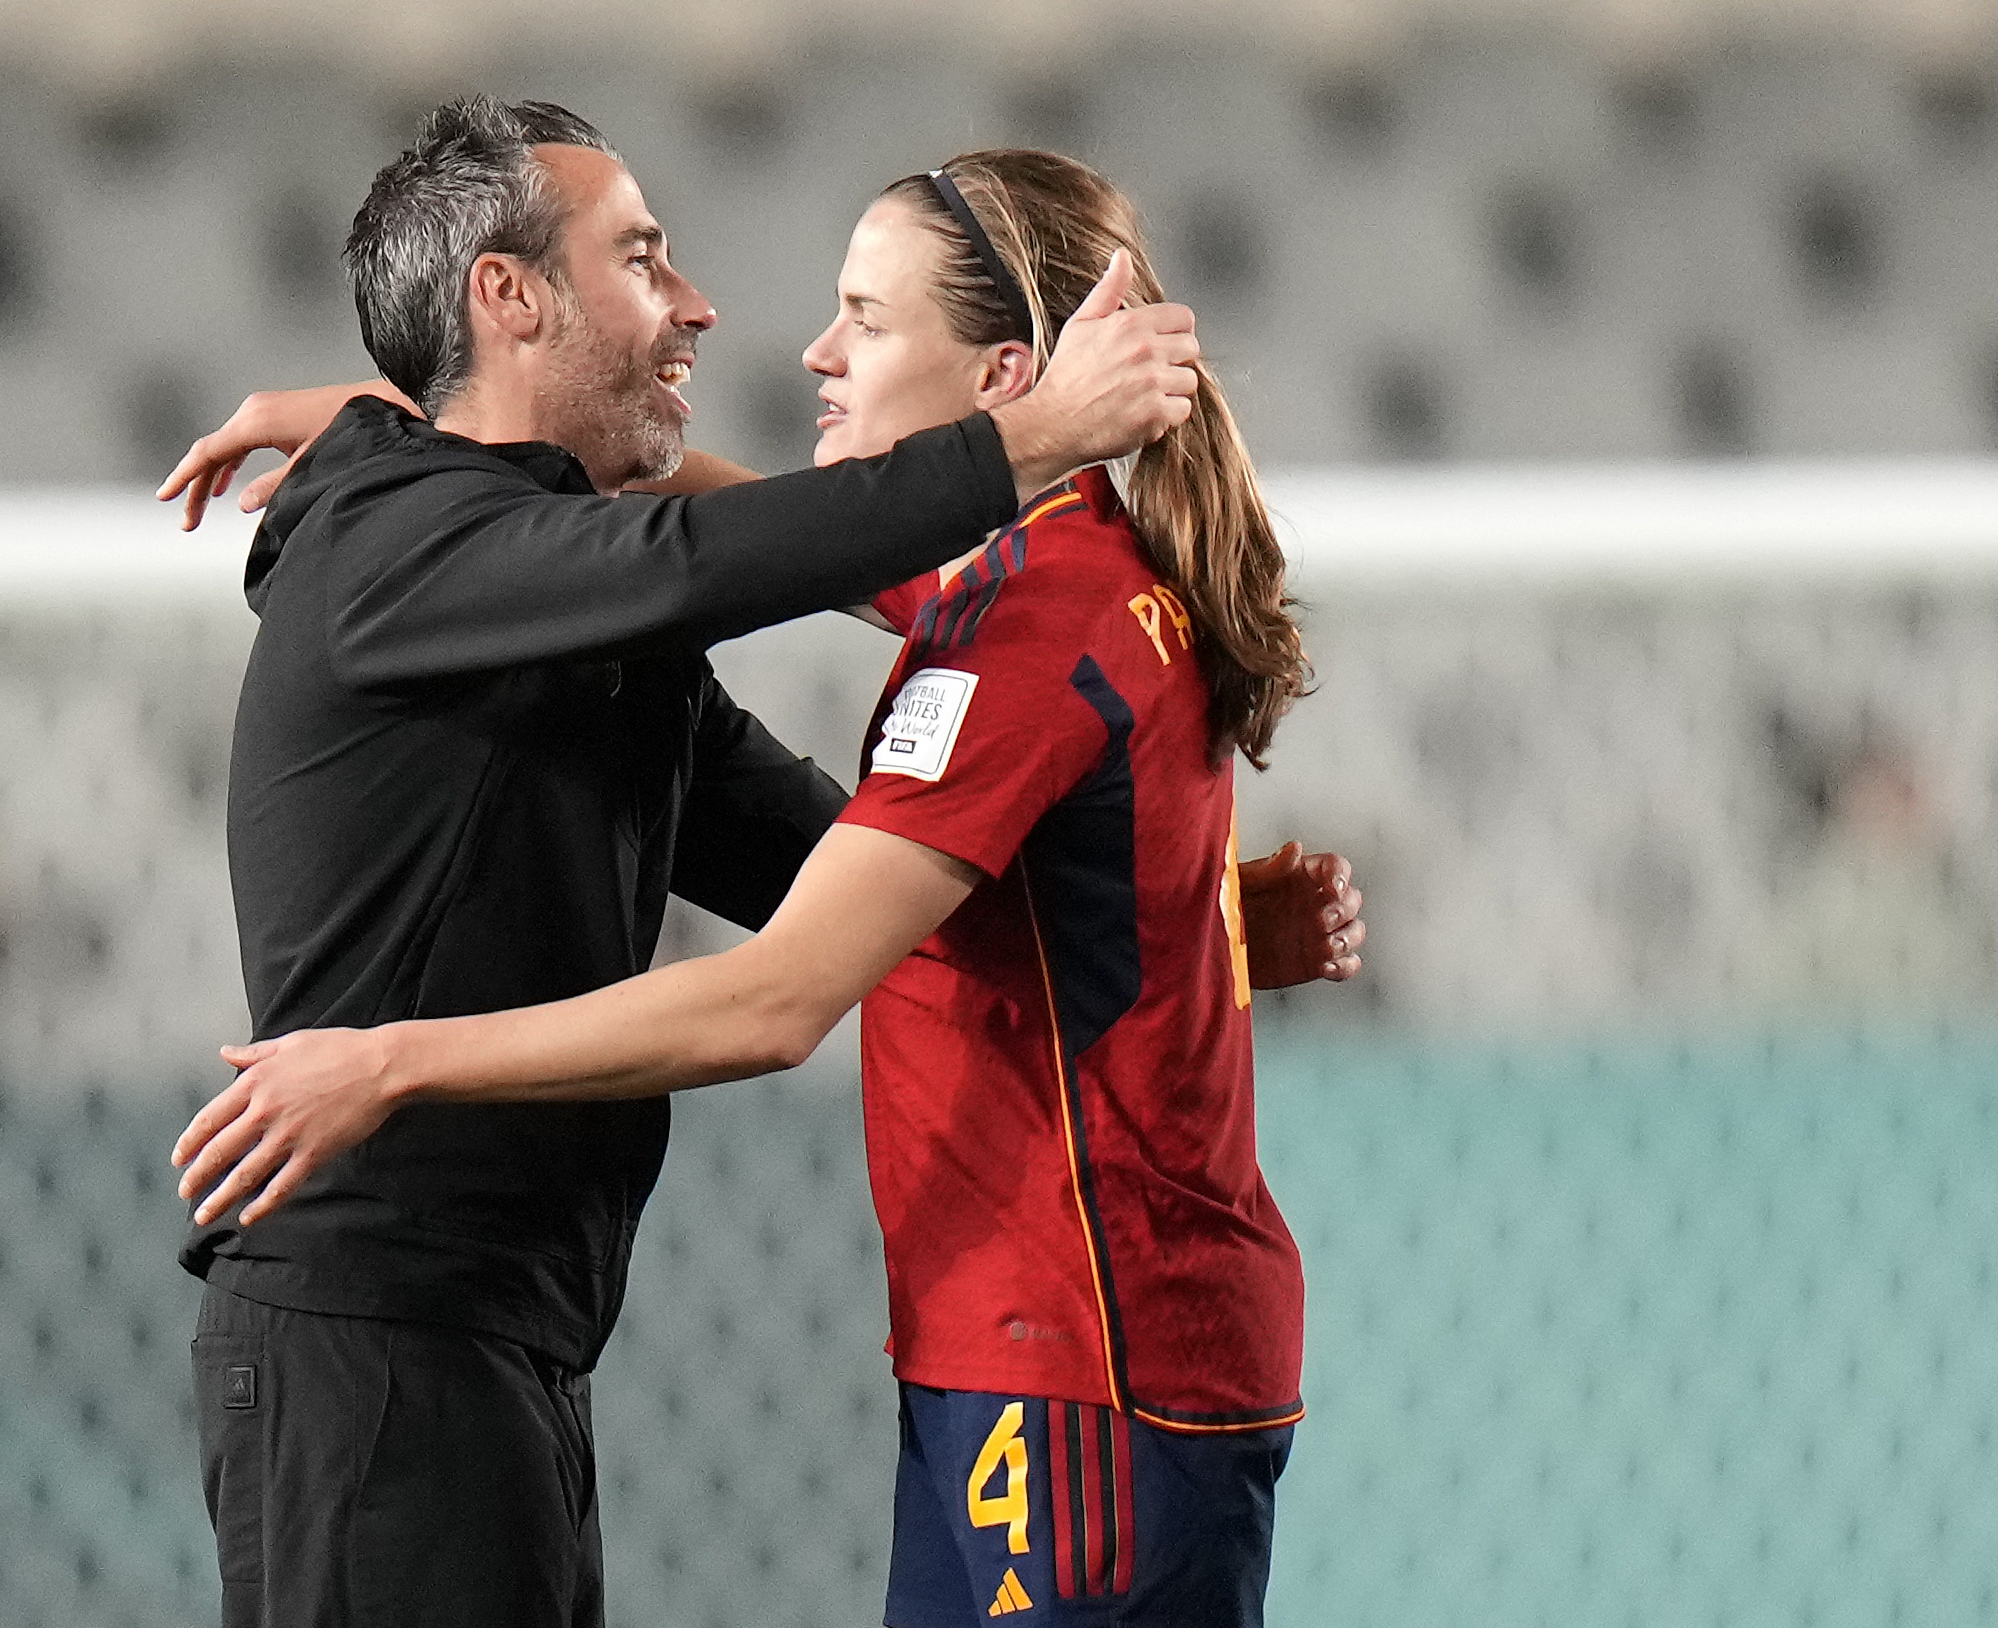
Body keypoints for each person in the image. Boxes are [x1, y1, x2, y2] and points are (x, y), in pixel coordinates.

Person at [177, 148, 1363, 1628]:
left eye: (863, 318)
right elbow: (715, 554)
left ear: (999, 370)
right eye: (642, 260)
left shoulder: (1027, 617)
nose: (784, 337)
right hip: (451, 1344)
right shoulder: (993, 589)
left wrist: (390, 1063)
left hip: (1074, 1357)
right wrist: (382, 422)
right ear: (509, 299)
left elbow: (801, 962)